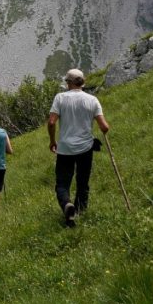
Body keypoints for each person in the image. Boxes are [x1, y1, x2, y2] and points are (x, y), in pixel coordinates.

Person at [47, 68, 110, 227]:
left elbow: (52, 122)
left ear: (69, 83)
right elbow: (104, 127)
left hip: (65, 148)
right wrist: (102, 130)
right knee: (83, 181)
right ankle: (80, 211)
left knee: (62, 183)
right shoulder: (92, 100)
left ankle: (67, 205)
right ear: (82, 82)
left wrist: (52, 141)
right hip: (85, 147)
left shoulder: (60, 98)